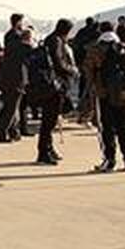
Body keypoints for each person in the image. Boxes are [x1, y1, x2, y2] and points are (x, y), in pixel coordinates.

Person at [86, 21, 125, 173]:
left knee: (107, 128)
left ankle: (109, 161)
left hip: (105, 94)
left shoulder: (95, 49)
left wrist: (92, 90)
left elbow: (88, 71)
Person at [37, 19, 76, 165]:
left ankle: (48, 148)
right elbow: (59, 64)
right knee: (49, 121)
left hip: (49, 85)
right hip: (55, 86)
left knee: (49, 119)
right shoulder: (57, 42)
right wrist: (73, 70)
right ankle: (43, 152)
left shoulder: (50, 39)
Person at [0, 27, 32, 142]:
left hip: (6, 80)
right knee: (11, 108)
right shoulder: (26, 48)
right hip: (17, 81)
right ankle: (2, 132)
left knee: (10, 107)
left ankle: (12, 131)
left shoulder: (11, 46)